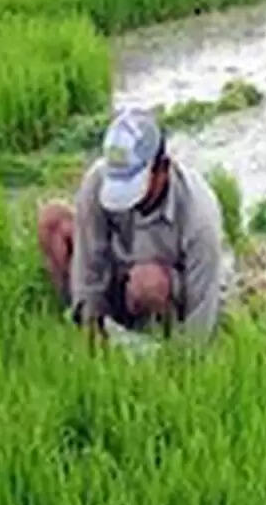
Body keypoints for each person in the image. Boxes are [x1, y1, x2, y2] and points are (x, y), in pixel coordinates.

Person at [36, 107, 225, 339]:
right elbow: (89, 264)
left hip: (166, 291)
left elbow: (203, 307)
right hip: (118, 273)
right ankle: (79, 326)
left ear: (162, 169)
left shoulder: (198, 215)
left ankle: (156, 337)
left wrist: (186, 364)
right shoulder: (97, 181)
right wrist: (90, 325)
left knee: (147, 283)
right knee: (53, 222)